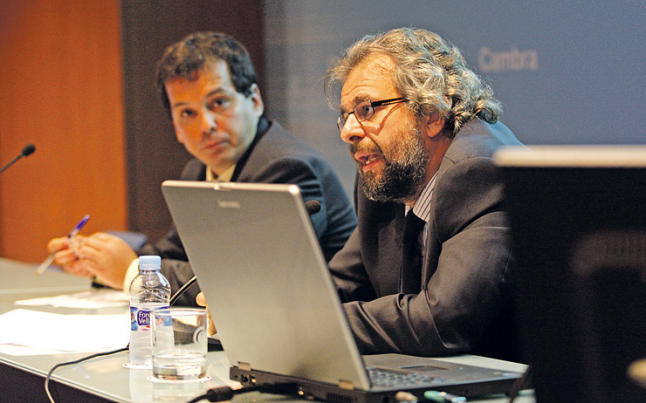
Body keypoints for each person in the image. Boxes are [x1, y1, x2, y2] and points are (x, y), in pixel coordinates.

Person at [48, 32, 356, 306]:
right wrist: (99, 264)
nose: (205, 126)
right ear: (176, 129)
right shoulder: (198, 169)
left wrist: (131, 272)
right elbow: (175, 253)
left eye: (219, 103)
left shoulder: (287, 167)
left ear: (255, 101)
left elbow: (246, 279)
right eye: (187, 113)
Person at [324, 27, 523, 360]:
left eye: (367, 109)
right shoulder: (389, 175)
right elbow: (339, 284)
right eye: (345, 116)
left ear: (431, 114)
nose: (348, 132)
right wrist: (267, 307)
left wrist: (314, 322)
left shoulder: (483, 172)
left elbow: (441, 321)